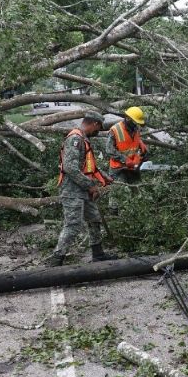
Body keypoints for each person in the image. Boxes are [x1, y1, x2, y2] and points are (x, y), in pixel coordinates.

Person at [46, 111, 115, 266]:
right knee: (73, 225)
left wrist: (104, 177)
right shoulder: (75, 139)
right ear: (94, 124)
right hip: (72, 191)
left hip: (83, 189)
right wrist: (91, 186)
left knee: (94, 219)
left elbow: (89, 167)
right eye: (98, 128)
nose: (97, 132)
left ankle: (98, 253)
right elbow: (70, 168)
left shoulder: (83, 139)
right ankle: (56, 259)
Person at [105, 106, 148, 213]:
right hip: (118, 168)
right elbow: (109, 149)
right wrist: (124, 159)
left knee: (138, 191)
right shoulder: (115, 130)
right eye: (135, 122)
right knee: (116, 192)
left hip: (132, 166)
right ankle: (113, 216)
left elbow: (134, 140)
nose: (136, 124)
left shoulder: (136, 128)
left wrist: (141, 145)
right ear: (128, 118)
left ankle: (139, 213)